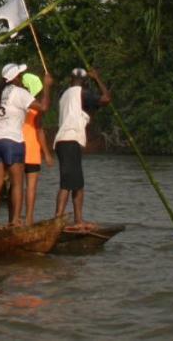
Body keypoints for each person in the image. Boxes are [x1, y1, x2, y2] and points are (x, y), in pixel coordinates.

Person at [0, 63, 51, 228]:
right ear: (15, 78)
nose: (21, 79)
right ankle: (14, 221)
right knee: (17, 183)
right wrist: (47, 86)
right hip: (12, 141)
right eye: (20, 76)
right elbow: (43, 107)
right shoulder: (20, 93)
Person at [53, 67, 111, 229]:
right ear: (85, 82)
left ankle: (78, 220)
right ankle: (58, 219)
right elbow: (106, 99)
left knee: (77, 183)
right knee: (67, 183)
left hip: (66, 141)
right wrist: (97, 78)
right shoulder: (80, 92)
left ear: (71, 79)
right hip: (69, 140)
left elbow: (89, 110)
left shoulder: (64, 94)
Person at [19, 71, 55, 225]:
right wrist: (47, 153)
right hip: (32, 151)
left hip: (17, 149)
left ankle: (14, 218)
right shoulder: (36, 108)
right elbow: (39, 131)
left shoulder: (16, 103)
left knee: (16, 185)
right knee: (31, 188)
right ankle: (29, 219)